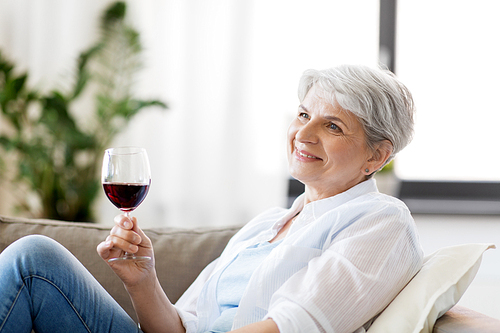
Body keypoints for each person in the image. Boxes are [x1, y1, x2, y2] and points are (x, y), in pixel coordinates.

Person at [0, 64, 423, 333]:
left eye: (332, 126)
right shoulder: (267, 225)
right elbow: (179, 328)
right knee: (37, 259)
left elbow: (294, 327)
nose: (304, 134)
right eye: (302, 114)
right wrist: (142, 279)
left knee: (32, 261)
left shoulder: (380, 220)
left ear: (377, 155)